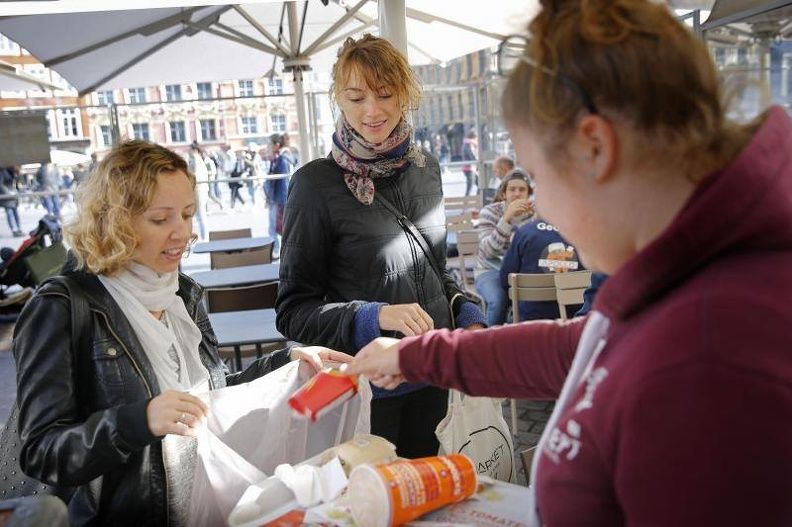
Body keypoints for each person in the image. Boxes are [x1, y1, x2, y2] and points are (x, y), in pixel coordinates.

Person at [347, 1, 792, 525]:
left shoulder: (707, 359)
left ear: (596, 149)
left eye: (539, 175)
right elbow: (583, 348)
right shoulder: (691, 264)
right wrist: (414, 356)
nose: (543, 207)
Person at [12, 140, 351, 525]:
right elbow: (42, 452)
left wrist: (285, 361)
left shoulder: (180, 292)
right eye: (161, 219)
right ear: (116, 220)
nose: (183, 233)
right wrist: (138, 421)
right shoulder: (62, 306)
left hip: (202, 506)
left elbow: (207, 393)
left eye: (188, 215)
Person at [275, 34, 486, 459]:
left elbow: (435, 270)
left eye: (385, 94)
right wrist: (375, 316)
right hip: (370, 393)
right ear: (338, 99)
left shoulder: (426, 169)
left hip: (436, 373)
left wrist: (468, 311)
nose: (371, 110)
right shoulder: (315, 185)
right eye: (356, 97)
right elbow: (293, 312)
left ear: (405, 93)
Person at [474, 169, 534, 325]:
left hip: (523, 271)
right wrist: (506, 219)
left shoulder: (535, 214)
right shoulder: (489, 212)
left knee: (542, 295)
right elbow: (488, 251)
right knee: (499, 300)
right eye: (512, 189)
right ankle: (488, 343)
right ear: (503, 193)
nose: (517, 194)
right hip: (491, 270)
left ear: (528, 194)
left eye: (522, 190)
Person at [500, 217, 582, 321]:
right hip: (573, 317)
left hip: (530, 317)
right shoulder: (580, 234)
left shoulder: (525, 232)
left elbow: (505, 279)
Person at [265, 134, 289, 257]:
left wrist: (281, 201)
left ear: (276, 145)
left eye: (269, 144)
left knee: (274, 228)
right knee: (274, 227)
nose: (267, 147)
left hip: (278, 199)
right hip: (275, 199)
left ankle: (276, 250)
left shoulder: (281, 160)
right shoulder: (275, 159)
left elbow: (283, 182)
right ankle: (276, 250)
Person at [0, 166, 23, 237]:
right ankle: (14, 230)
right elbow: (0, 184)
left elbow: (17, 183)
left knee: (16, 213)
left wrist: (19, 190)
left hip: (13, 196)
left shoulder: (13, 172)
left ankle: (19, 229)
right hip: (6, 197)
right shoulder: (2, 171)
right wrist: (8, 192)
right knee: (9, 213)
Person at [462, 130, 478, 196]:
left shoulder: (468, 144)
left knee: (480, 185)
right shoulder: (469, 144)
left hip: (471, 168)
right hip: (469, 168)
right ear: (474, 137)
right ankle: (466, 204)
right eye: (476, 137)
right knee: (470, 187)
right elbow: (472, 155)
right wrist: (478, 161)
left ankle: (479, 200)